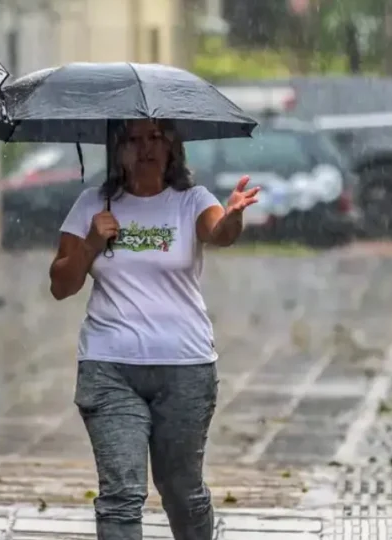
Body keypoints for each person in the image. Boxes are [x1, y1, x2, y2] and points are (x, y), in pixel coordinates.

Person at [49, 119, 259, 540]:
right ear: (117, 149)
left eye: (155, 138)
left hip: (184, 367)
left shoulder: (191, 200)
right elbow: (60, 285)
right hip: (109, 367)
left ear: (171, 147)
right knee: (121, 495)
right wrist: (91, 242)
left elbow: (218, 233)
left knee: (181, 491)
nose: (145, 148)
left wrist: (233, 216)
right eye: (133, 140)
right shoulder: (92, 204)